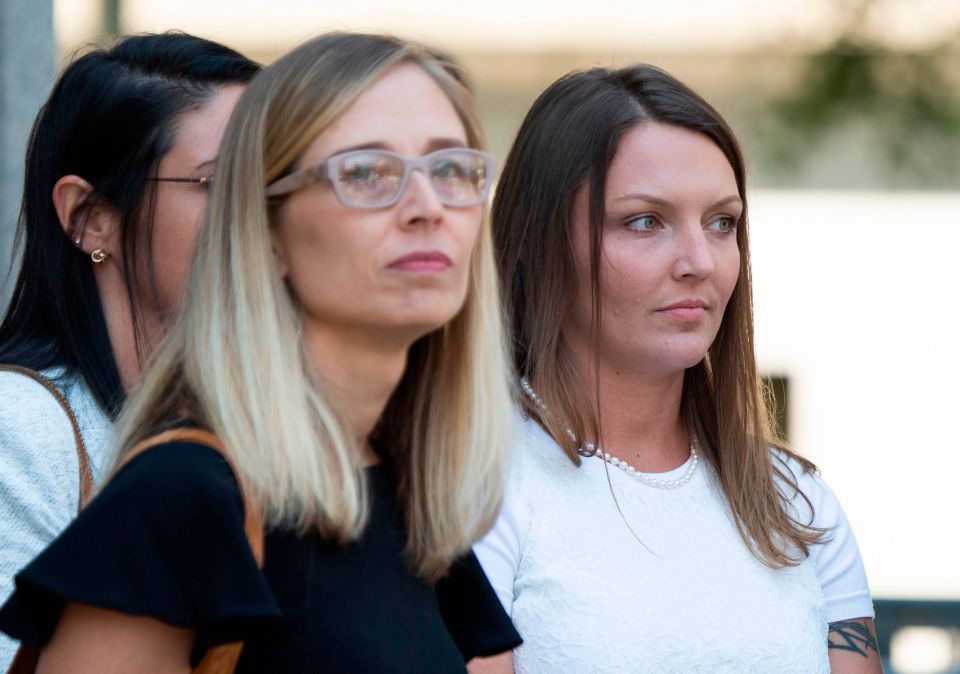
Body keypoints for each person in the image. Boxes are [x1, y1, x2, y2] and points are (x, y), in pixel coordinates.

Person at [0, 32, 520, 673]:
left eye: (451, 169)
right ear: (260, 227)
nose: (427, 207)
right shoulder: (179, 498)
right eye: (364, 172)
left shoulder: (411, 495)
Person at [474, 65, 880, 673]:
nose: (699, 261)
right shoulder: (479, 484)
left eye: (722, 223)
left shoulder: (795, 502)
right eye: (645, 221)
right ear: (540, 241)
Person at [0, 32, 258, 669]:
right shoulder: (20, 430)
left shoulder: (261, 419)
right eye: (220, 182)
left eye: (275, 182)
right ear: (88, 217)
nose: (260, 214)